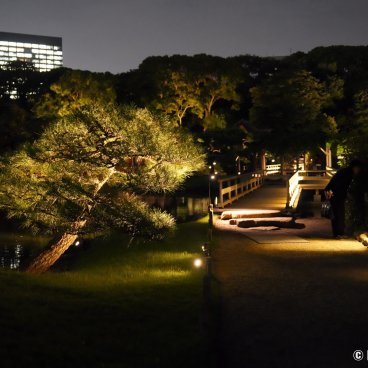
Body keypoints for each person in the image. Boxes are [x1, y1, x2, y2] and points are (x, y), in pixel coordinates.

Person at [325, 160, 364, 239]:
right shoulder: (348, 173)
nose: (358, 171)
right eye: (358, 169)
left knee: (336, 214)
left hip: (332, 192)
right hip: (335, 194)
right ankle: (339, 233)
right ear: (355, 167)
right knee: (339, 214)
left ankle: (337, 233)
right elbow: (341, 186)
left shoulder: (345, 171)